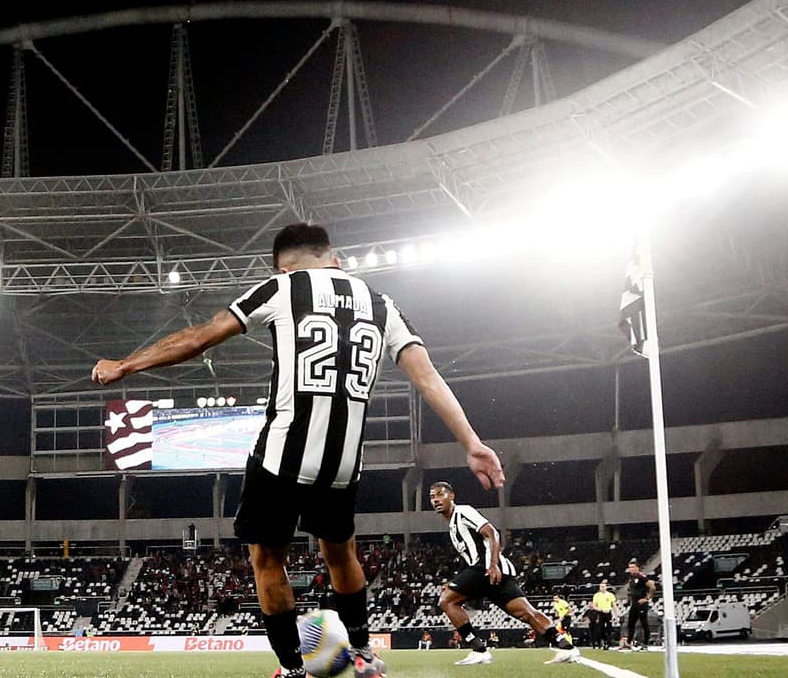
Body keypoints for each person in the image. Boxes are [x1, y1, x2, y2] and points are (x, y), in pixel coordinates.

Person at [92, 223, 506, 678]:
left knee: (266, 558)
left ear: (284, 265)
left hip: (281, 458)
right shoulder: (382, 305)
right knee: (341, 554)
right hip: (344, 464)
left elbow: (199, 337)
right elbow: (428, 377)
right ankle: (364, 653)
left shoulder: (282, 287)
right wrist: (472, 443)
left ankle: (293, 669)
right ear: (336, 257)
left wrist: (125, 364)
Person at [428, 482, 579, 666]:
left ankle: (478, 649)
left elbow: (492, 533)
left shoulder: (463, 512)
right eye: (432, 497)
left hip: (486, 568)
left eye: (440, 495)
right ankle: (566, 647)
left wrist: (492, 565)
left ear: (451, 496)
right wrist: (456, 580)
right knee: (526, 613)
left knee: (446, 600)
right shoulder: (452, 525)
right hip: (493, 571)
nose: (435, 500)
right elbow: (471, 556)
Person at [622, 559, 655, 651]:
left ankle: (645, 644)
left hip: (642, 604)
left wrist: (646, 598)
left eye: (633, 567)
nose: (631, 569)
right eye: (630, 568)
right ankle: (628, 643)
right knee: (630, 623)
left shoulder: (641, 577)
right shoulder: (631, 577)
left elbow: (652, 587)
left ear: (637, 568)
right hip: (634, 603)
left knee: (644, 623)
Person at [589, 581, 617, 649]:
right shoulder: (596, 595)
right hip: (600, 613)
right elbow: (594, 606)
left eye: (604, 586)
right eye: (601, 587)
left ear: (606, 587)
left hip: (608, 612)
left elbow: (614, 605)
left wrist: (616, 614)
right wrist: (601, 610)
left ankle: (609, 643)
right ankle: (604, 641)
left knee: (609, 629)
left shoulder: (610, 595)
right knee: (600, 629)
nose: (602, 588)